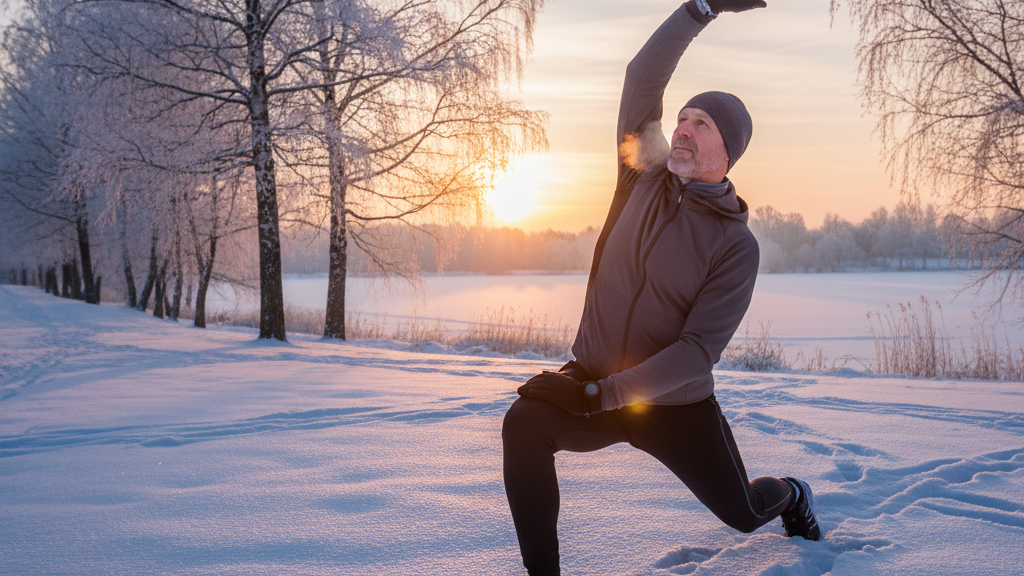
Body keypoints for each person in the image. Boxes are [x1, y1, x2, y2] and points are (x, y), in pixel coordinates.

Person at [501, 1, 821, 574]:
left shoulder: (733, 245)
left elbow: (697, 352)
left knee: (744, 512)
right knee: (523, 424)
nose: (682, 128)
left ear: (728, 151)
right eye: (683, 118)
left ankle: (792, 494)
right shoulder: (639, 178)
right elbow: (641, 77)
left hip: (673, 407)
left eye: (702, 124)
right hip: (593, 381)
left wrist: (599, 396)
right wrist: (700, 9)